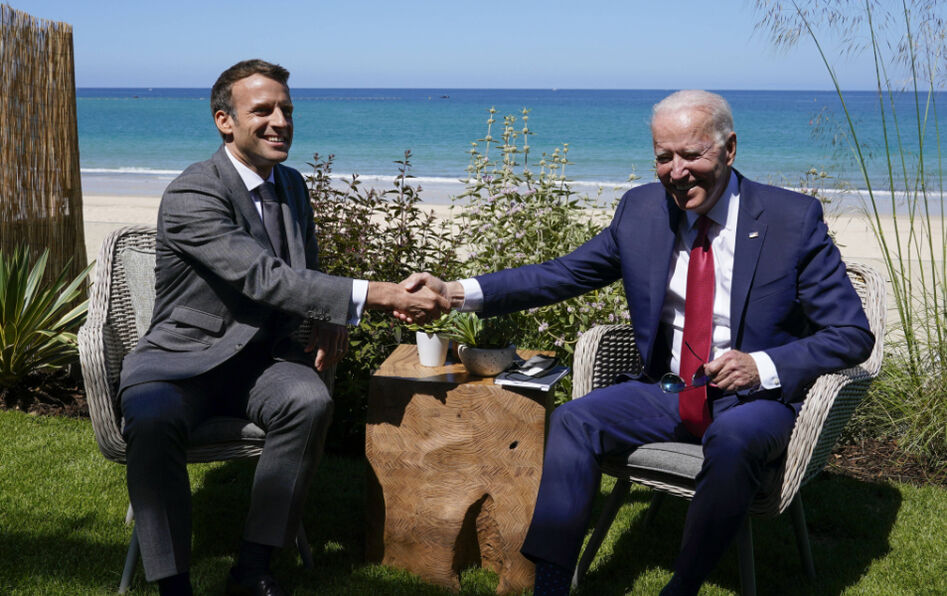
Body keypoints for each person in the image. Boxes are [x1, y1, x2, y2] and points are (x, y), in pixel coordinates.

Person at [401, 90, 874, 595]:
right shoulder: (642, 210)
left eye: (692, 154)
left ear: (729, 148)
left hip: (755, 401)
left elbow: (851, 334)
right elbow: (561, 274)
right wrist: (454, 293)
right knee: (574, 420)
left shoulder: (790, 220)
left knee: (733, 440)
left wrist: (761, 364)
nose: (677, 172)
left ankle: (683, 585)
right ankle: (552, 583)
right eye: (664, 157)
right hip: (667, 391)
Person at [118, 59, 447, 596]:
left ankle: (254, 567)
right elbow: (263, 276)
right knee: (152, 420)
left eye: (287, 110)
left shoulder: (291, 185)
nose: (281, 122)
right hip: (182, 362)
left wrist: (330, 316)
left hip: (262, 362)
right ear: (225, 121)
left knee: (309, 401)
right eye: (263, 110)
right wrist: (381, 294)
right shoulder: (192, 192)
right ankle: (172, 584)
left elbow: (304, 267)